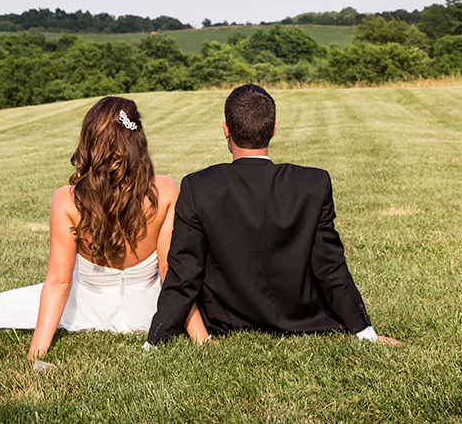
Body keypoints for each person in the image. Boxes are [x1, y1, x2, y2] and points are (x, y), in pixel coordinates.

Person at [0, 96, 208, 363]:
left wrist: (36, 353)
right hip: (145, 312)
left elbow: (59, 281)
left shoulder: (67, 201)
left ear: (90, 140)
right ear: (137, 138)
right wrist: (201, 338)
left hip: (87, 312)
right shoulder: (165, 191)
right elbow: (170, 272)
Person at [147, 84, 395, 346]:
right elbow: (330, 267)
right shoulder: (312, 183)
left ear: (226, 131)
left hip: (224, 321)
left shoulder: (199, 186)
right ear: (273, 130)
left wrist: (155, 340)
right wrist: (365, 332)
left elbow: (185, 272)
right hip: (303, 318)